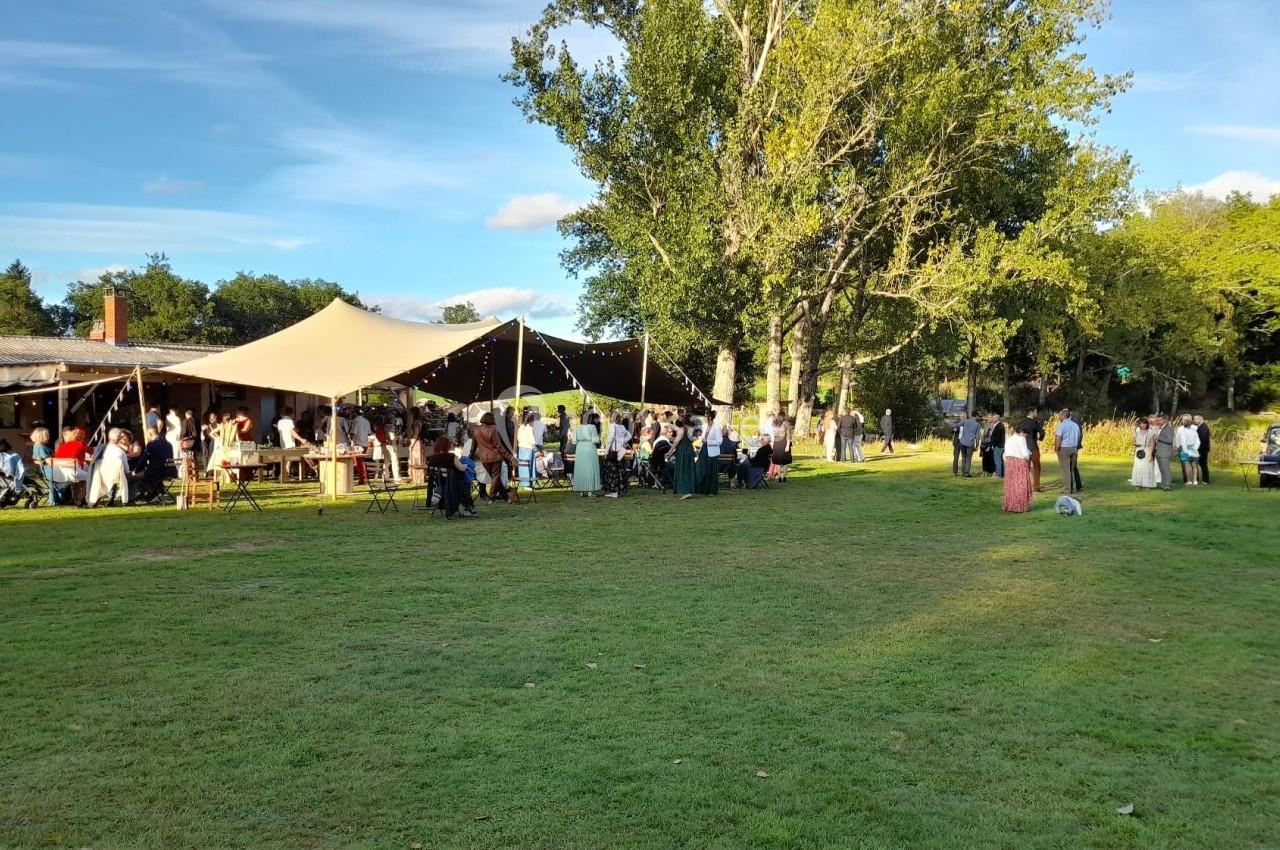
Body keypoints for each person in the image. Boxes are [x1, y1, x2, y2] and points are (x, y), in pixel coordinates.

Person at [427, 436, 477, 517]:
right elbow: (461, 468)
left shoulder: (432, 458)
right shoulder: (451, 456)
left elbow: (430, 472)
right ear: (447, 446)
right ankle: (469, 508)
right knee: (466, 479)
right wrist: (466, 466)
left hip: (439, 484)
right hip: (454, 484)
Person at [472, 412, 515, 502]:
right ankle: (492, 497)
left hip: (484, 458)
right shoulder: (493, 430)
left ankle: (506, 498)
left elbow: (473, 447)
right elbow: (498, 445)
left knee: (495, 478)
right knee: (495, 478)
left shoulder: (476, 430)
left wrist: (470, 456)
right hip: (495, 457)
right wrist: (510, 457)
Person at [1001, 423, 1034, 513]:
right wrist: (1028, 455)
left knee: (1011, 485)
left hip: (1010, 462)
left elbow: (1006, 452)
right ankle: (1020, 506)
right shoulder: (1021, 438)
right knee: (1021, 485)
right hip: (1019, 463)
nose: (1026, 436)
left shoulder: (1009, 438)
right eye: (1026, 434)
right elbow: (1024, 453)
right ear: (1023, 432)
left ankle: (1011, 505)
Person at [569, 412, 602, 496]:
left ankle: (581, 491)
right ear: (589, 419)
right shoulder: (592, 427)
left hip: (580, 449)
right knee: (590, 468)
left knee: (581, 469)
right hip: (590, 448)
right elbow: (596, 440)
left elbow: (573, 441)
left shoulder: (577, 428)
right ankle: (590, 491)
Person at [602, 413, 631, 499]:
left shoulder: (612, 426)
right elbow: (629, 436)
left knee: (612, 471)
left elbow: (610, 439)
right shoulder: (622, 427)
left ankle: (613, 491)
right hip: (621, 450)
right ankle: (619, 490)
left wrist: (606, 451)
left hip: (613, 452)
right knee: (620, 471)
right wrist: (622, 441)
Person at [1053, 408, 1081, 495]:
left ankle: (1068, 490)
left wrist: (1056, 449)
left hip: (1064, 449)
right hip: (1074, 448)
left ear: (1063, 415)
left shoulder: (1061, 426)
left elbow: (1058, 439)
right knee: (1071, 469)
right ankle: (1073, 487)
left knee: (1065, 470)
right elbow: (1079, 437)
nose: (1059, 417)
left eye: (1060, 415)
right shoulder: (1075, 425)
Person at [1017, 407, 1045, 491]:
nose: (1037, 414)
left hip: (1023, 447)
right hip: (1033, 447)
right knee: (1037, 467)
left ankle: (1024, 485)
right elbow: (1042, 432)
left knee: (1025, 467)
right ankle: (1036, 486)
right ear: (1032, 413)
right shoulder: (1035, 422)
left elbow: (1017, 433)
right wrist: (1039, 439)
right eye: (1036, 412)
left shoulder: (1021, 422)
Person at [695, 410, 722, 496]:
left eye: (707, 416)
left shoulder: (717, 427)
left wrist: (708, 441)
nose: (706, 418)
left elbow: (719, 441)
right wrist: (701, 439)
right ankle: (702, 489)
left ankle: (711, 490)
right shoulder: (704, 426)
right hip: (704, 450)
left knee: (711, 470)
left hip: (712, 451)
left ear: (710, 417)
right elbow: (702, 437)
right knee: (702, 468)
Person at [669, 416, 697, 497]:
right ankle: (690, 489)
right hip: (690, 450)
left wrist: (669, 452)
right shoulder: (691, 429)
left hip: (682, 451)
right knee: (689, 469)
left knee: (682, 469)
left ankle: (683, 489)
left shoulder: (681, 430)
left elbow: (676, 442)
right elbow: (694, 439)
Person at [1130, 417, 1160, 489]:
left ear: (1147, 424)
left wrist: (1150, 454)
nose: (1143, 425)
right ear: (1139, 424)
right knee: (1138, 467)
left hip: (1147, 450)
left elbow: (1152, 444)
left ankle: (1148, 485)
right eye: (1142, 423)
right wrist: (1136, 445)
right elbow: (1133, 442)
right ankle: (1138, 484)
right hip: (1139, 450)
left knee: (1147, 467)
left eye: (1144, 424)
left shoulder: (1150, 432)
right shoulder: (1137, 431)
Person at [1175, 414, 1202, 486]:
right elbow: (1198, 441)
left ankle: (1190, 481)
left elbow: (1182, 441)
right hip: (1192, 449)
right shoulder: (1193, 431)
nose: (1183, 421)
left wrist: (1186, 450)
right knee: (1194, 465)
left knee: (1188, 465)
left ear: (1188, 421)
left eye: (1184, 420)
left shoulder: (1188, 430)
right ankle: (1195, 480)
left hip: (1186, 449)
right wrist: (1195, 448)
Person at [1152, 414, 1176, 491]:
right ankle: (1163, 484)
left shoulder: (1168, 429)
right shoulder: (1160, 428)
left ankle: (1168, 485)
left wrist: (1159, 438)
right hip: (1159, 452)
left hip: (1165, 452)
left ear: (1165, 420)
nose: (1158, 421)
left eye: (1160, 420)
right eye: (1158, 420)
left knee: (1166, 469)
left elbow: (1169, 440)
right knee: (1162, 470)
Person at [517, 412, 540, 488]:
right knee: (531, 466)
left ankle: (524, 483)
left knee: (523, 466)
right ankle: (532, 482)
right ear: (532, 420)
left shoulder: (520, 427)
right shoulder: (530, 428)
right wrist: (536, 449)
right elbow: (532, 440)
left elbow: (518, 438)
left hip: (521, 448)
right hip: (528, 448)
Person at [957, 410, 981, 477]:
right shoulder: (977, 424)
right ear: (976, 416)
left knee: (963, 457)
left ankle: (962, 472)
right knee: (968, 458)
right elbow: (977, 436)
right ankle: (966, 473)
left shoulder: (965, 421)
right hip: (970, 443)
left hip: (962, 442)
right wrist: (977, 445)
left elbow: (957, 425)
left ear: (971, 415)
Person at [770, 413, 793, 481]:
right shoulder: (785, 423)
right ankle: (782, 476)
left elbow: (788, 435)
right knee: (782, 460)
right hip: (781, 441)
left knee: (780, 460)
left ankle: (781, 476)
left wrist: (787, 445)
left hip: (780, 442)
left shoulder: (778, 423)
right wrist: (788, 445)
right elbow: (788, 435)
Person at [1193, 414, 1212, 484]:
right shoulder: (1200, 426)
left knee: (1203, 464)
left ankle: (1206, 480)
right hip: (1202, 449)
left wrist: (1197, 448)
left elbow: (1203, 440)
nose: (1194, 421)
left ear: (1200, 419)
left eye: (1195, 419)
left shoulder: (1203, 427)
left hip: (1202, 449)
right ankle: (1202, 479)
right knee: (1202, 464)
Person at [987, 413, 1006, 478]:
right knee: (1000, 460)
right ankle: (1002, 474)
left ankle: (998, 475)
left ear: (998, 419)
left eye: (994, 418)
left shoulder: (998, 426)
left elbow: (996, 438)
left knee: (997, 461)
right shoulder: (1000, 425)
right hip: (1001, 445)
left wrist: (992, 445)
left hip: (998, 446)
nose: (993, 419)